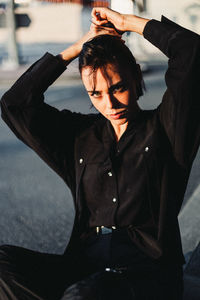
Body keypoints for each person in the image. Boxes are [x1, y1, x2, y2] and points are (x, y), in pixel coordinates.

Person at [0, 6, 200, 300]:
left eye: (118, 88)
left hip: (146, 272)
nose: (110, 104)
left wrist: (128, 23)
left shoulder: (167, 128)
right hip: (82, 264)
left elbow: (190, 51)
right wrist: (77, 48)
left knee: (87, 293)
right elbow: (14, 105)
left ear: (135, 76)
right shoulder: (80, 136)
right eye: (96, 94)